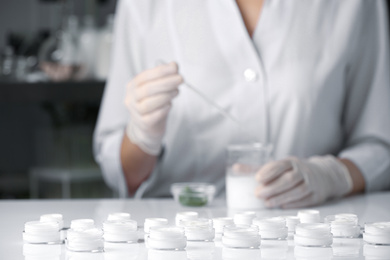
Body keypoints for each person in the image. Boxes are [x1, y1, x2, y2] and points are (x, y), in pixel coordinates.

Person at [93, 0, 390, 208]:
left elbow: (380, 146)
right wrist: (143, 137)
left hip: (311, 234)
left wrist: (333, 176)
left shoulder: (355, 5)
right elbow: (120, 173)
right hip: (176, 237)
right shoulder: (144, 5)